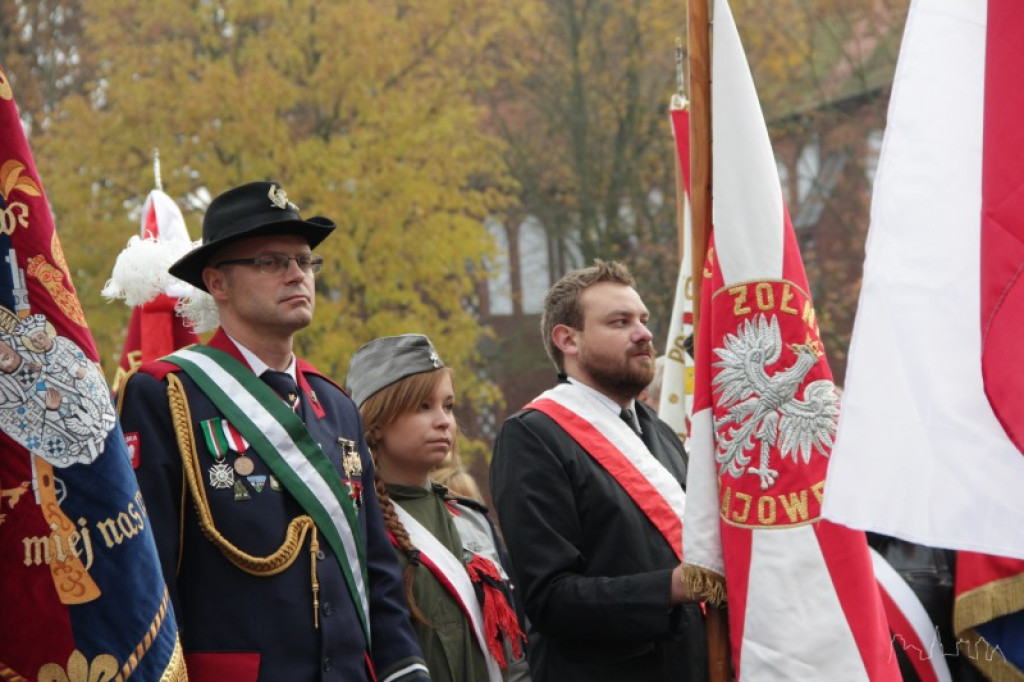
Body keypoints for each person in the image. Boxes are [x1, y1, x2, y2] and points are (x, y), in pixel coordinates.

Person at [118, 181, 430, 682]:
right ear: (217, 283)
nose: (296, 275)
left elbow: (376, 567)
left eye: (305, 262)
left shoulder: (336, 405)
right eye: (270, 261)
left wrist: (404, 669)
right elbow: (148, 570)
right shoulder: (165, 395)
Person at [489, 260, 708, 682]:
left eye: (643, 320)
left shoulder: (658, 431)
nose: (644, 333)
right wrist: (671, 587)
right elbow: (550, 599)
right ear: (567, 339)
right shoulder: (533, 437)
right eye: (620, 321)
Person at [346, 334, 528, 682]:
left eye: (448, 406)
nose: (444, 420)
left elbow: (515, 650)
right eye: (423, 407)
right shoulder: (357, 525)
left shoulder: (472, 520)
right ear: (377, 422)